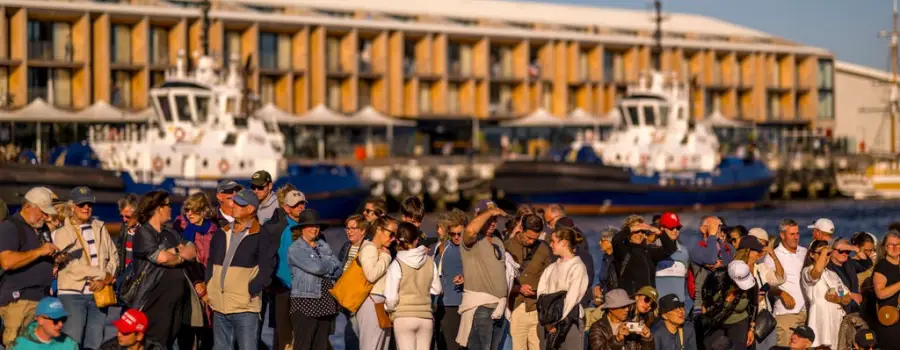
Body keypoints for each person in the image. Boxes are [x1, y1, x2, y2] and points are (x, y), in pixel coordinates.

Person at [206, 188, 273, 350]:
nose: (233, 206)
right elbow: (210, 263)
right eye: (234, 202)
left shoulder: (262, 235)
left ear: (251, 209)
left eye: (239, 204)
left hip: (245, 308)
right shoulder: (222, 233)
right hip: (219, 306)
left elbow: (267, 271)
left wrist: (249, 290)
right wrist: (210, 286)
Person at [52, 187, 118, 350]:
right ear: (72, 206)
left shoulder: (100, 227)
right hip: (72, 294)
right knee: (71, 342)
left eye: (89, 204)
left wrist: (104, 280)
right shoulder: (61, 233)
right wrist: (102, 275)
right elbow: (72, 266)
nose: (86, 208)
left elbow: (113, 255)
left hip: (99, 294)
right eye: (82, 204)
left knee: (95, 343)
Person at [130, 190, 198, 347]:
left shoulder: (171, 233)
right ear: (156, 208)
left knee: (168, 342)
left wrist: (173, 253)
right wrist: (178, 253)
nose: (171, 208)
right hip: (154, 299)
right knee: (154, 342)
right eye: (168, 205)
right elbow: (162, 258)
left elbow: (192, 251)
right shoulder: (144, 232)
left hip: (176, 302)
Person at [0, 187, 61, 347]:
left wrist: (55, 258)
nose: (46, 216)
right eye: (42, 211)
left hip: (41, 299)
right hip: (19, 301)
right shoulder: (11, 227)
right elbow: (7, 261)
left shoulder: (42, 229)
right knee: (16, 344)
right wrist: (40, 251)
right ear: (28, 206)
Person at [288, 209, 343, 350]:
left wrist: (327, 267)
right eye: (310, 225)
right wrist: (329, 266)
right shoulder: (295, 249)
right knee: (303, 345)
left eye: (316, 226)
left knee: (321, 345)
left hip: (326, 303)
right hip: (305, 303)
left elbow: (339, 269)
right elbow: (316, 268)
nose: (314, 229)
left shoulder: (323, 245)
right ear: (302, 229)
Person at [456, 200, 508, 350]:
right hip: (481, 308)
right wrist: (490, 211)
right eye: (488, 218)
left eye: (494, 219)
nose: (492, 223)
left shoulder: (498, 241)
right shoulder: (472, 240)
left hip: (499, 308)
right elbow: (471, 231)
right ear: (478, 217)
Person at [384, 222, 442, 350]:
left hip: (403, 316)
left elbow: (391, 297)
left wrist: (389, 309)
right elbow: (437, 289)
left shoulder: (396, 264)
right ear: (416, 240)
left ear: (398, 241)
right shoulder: (430, 261)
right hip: (425, 317)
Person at [171, 192, 216, 350]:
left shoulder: (214, 232)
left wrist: (206, 284)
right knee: (186, 335)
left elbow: (216, 262)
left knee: (208, 335)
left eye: (194, 210)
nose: (190, 214)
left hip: (208, 287)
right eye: (187, 210)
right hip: (188, 286)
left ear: (203, 210)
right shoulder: (180, 229)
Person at [265, 189, 307, 350]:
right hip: (283, 289)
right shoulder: (279, 228)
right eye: (296, 205)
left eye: (302, 203)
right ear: (287, 208)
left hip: (304, 292)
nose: (300, 207)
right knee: (285, 339)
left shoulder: (310, 227)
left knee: (304, 337)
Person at [505, 214, 553, 350]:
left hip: (537, 308)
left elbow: (549, 277)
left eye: (535, 238)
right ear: (521, 229)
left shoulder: (544, 249)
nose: (532, 241)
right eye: (529, 237)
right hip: (515, 307)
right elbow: (500, 281)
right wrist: (518, 288)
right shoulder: (506, 247)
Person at [538, 227, 589, 350]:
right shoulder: (550, 268)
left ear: (564, 243)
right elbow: (541, 295)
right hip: (550, 323)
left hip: (570, 321)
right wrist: (546, 321)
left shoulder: (578, 267)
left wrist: (554, 321)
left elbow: (572, 298)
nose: (550, 245)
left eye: (553, 241)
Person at [766, 219, 808, 347]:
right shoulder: (773, 256)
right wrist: (781, 292)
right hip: (786, 313)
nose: (796, 237)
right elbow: (766, 284)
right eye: (792, 234)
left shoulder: (804, 252)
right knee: (784, 347)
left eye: (797, 234)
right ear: (782, 235)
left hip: (806, 310)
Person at [357, 216, 397, 350]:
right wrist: (386, 257)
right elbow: (371, 275)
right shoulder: (369, 248)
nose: (393, 238)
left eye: (395, 235)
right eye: (391, 234)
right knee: (371, 346)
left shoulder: (380, 249)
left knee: (382, 346)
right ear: (379, 230)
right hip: (371, 303)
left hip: (380, 303)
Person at [801, 240, 848, 348]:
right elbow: (817, 272)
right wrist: (826, 250)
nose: (825, 257)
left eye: (828, 254)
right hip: (820, 317)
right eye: (821, 253)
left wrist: (838, 299)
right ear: (812, 254)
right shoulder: (807, 271)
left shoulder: (833, 274)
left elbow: (846, 296)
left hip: (836, 319)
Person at [612, 219, 677, 295]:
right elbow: (615, 240)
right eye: (636, 231)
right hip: (631, 301)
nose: (639, 234)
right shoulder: (623, 251)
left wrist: (658, 232)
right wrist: (632, 228)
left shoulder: (648, 251)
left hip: (649, 300)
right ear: (628, 233)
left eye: (642, 231)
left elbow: (670, 249)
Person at [434, 210, 468, 350]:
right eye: (453, 234)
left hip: (467, 304)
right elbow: (436, 275)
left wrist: (467, 278)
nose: (456, 237)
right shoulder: (443, 248)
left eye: (459, 234)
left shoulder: (472, 248)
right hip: (448, 305)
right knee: (450, 346)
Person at [588, 289, 653, 350]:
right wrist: (617, 339)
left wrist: (647, 339)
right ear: (611, 308)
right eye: (622, 306)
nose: (627, 309)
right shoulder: (598, 328)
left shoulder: (633, 325)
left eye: (627, 306)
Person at [654, 213, 691, 312]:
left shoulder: (684, 251)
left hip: (679, 308)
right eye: (671, 228)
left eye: (678, 228)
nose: (675, 231)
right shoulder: (652, 249)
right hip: (658, 309)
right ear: (662, 229)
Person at [11, 297, 78, 349]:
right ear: (40, 320)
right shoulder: (20, 345)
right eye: (56, 320)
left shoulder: (69, 345)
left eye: (63, 319)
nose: (60, 324)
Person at [872, 230, 900, 347]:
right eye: (891, 245)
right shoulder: (881, 267)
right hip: (891, 320)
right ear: (884, 247)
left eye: (898, 244)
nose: (895, 248)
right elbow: (880, 293)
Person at [99, 309, 166, 350]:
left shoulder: (155, 348)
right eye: (119, 329)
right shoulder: (109, 347)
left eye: (125, 332)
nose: (118, 334)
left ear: (139, 336)